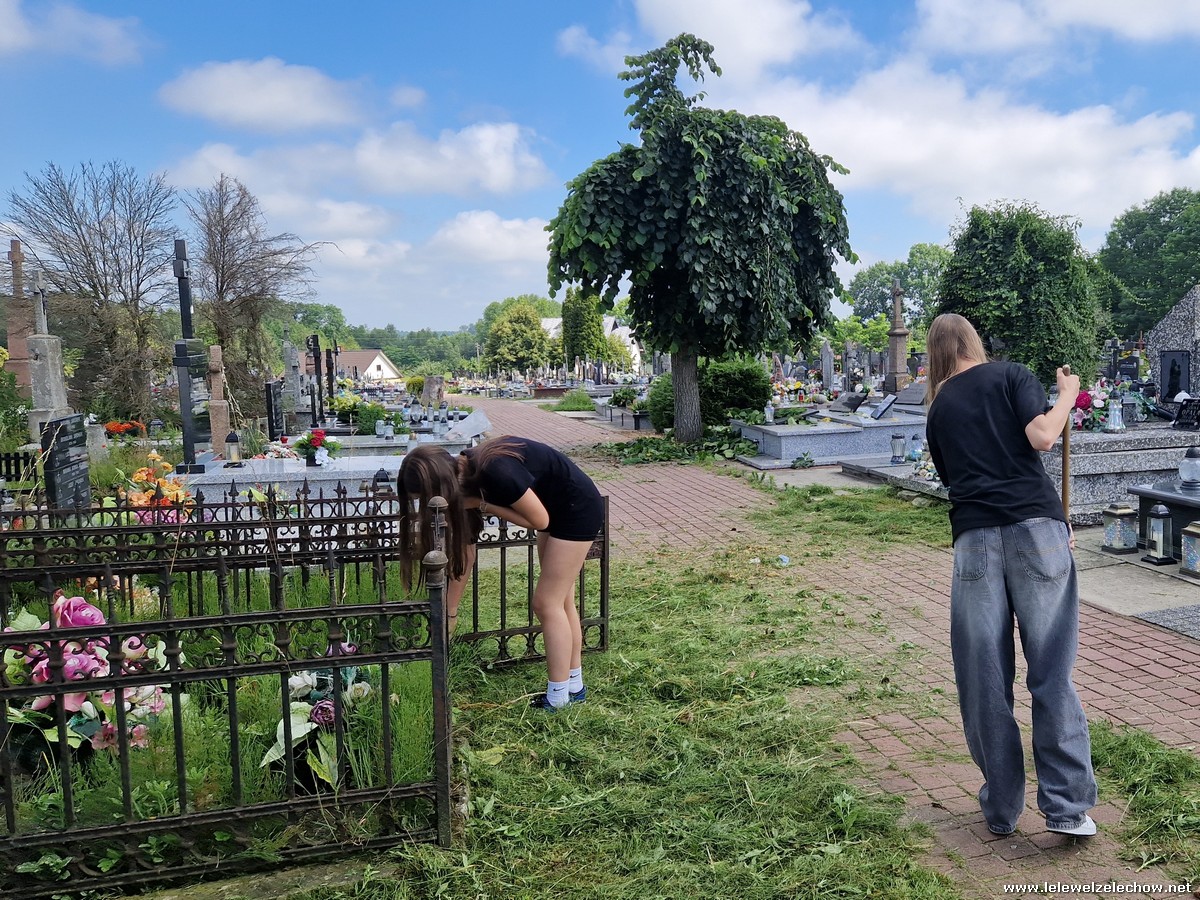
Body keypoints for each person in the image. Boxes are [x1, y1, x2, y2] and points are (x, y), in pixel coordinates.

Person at [924, 313, 1098, 837]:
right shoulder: (1011, 375)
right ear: (972, 342)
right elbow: (1043, 436)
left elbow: (954, 478)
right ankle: (1067, 809)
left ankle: (1001, 808)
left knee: (983, 678)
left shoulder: (938, 408)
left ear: (935, 353)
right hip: (1036, 533)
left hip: (974, 540)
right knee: (1051, 671)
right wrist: (1066, 394)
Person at [399, 436, 604, 710]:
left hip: (576, 509)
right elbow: (468, 549)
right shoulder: (464, 471)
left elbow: (538, 520)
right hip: (558, 508)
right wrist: (450, 610)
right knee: (562, 601)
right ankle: (574, 687)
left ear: (441, 485)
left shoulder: (495, 470)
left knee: (546, 603)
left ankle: (557, 698)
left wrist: (481, 504)